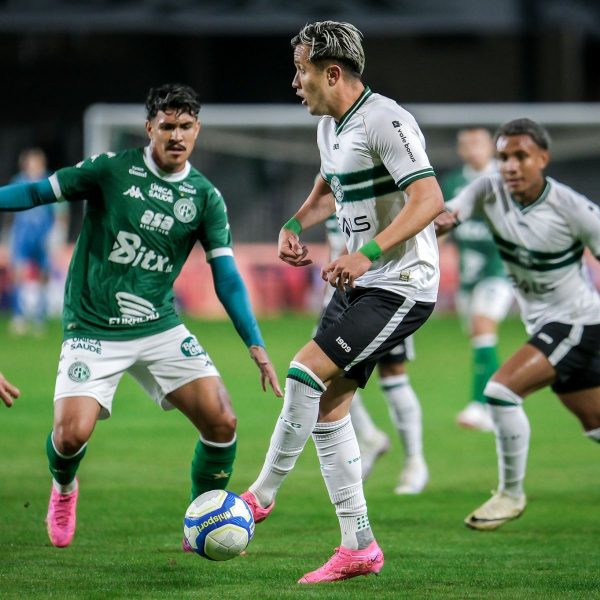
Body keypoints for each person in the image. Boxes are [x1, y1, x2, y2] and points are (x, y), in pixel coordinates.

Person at [0, 83, 282, 548]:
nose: (176, 135)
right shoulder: (111, 171)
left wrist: (255, 343)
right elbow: (35, 192)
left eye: (186, 126)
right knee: (71, 436)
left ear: (197, 130)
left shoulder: (204, 196)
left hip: (158, 326)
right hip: (92, 325)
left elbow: (227, 277)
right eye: (167, 126)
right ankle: (64, 488)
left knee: (223, 422)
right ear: (149, 127)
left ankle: (202, 519)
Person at [241, 21, 444, 583]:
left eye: (301, 71)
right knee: (331, 408)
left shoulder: (387, 119)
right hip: (360, 282)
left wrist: (369, 251)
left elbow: (429, 196)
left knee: (305, 372)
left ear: (332, 73)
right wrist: (295, 220)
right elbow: (331, 182)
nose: (295, 82)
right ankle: (359, 546)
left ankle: (259, 497)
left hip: (403, 282)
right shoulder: (331, 126)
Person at [436, 118, 600, 531]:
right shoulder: (488, 189)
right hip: (547, 324)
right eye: (504, 156)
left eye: (521, 156)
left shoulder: (573, 208)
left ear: (542, 158)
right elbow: (450, 214)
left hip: (579, 322)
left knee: (501, 391)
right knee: (594, 421)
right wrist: (432, 224)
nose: (510, 165)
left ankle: (510, 494)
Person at [324, 214, 428, 494]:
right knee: (322, 374)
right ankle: (368, 436)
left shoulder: (388, 174)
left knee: (393, 372)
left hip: (385, 291)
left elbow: (422, 219)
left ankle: (414, 462)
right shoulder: (330, 176)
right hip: (339, 297)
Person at [439, 128, 513, 432]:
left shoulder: (506, 179)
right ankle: (499, 407)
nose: (472, 148)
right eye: (466, 144)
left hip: (501, 270)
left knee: (484, 328)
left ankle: (479, 405)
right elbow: (440, 227)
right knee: (480, 340)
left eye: (478, 143)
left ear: (491, 147)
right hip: (468, 277)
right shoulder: (454, 183)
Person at [7, 148, 66, 336]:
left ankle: (40, 316)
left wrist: (58, 233)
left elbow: (60, 210)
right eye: (31, 162)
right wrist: (7, 233)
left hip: (42, 236)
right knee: (18, 274)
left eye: (37, 161)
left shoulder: (49, 181)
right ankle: (19, 316)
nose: (34, 165)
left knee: (43, 275)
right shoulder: (18, 181)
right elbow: (9, 209)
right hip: (22, 235)